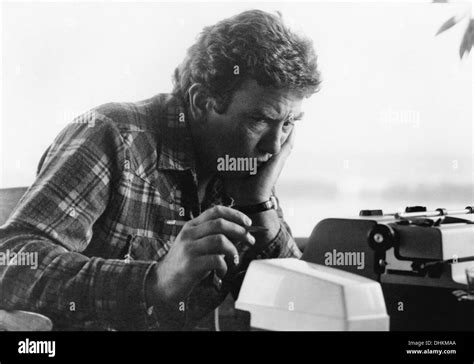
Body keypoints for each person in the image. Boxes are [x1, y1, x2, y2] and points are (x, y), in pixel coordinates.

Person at [0, 9, 321, 330]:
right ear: (199, 102)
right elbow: (11, 259)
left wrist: (259, 205)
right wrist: (153, 281)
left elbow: (298, 311)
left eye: (289, 123)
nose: (274, 147)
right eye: (259, 120)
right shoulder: (113, 135)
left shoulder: (246, 170)